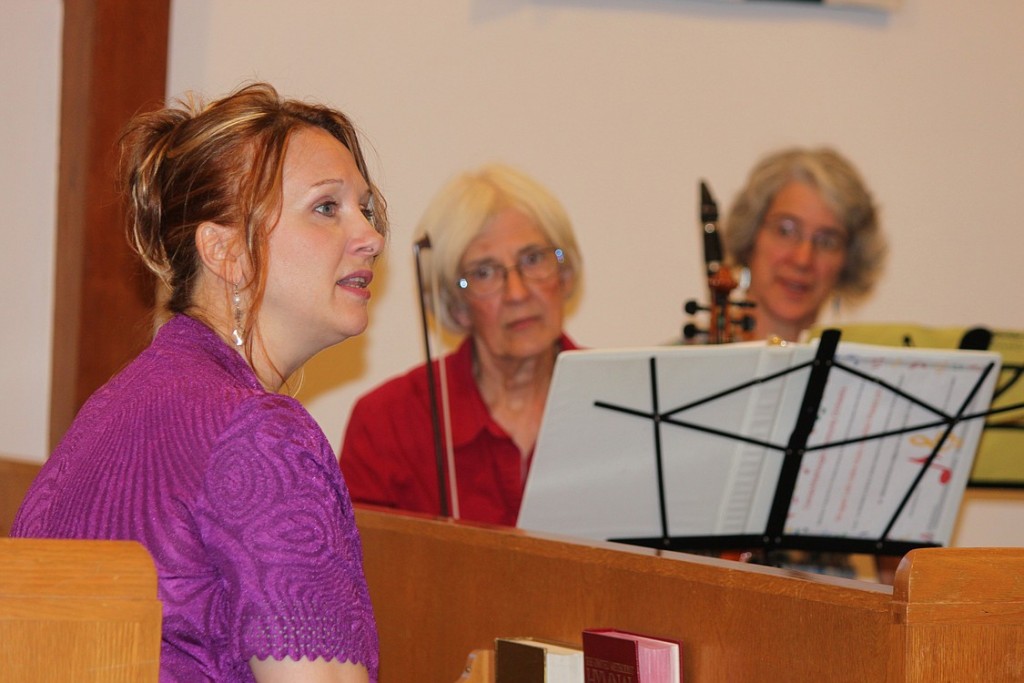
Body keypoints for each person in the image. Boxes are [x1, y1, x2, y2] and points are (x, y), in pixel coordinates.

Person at [12, 83, 386, 682]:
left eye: (365, 208)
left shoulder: (112, 407)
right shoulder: (261, 434)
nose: (370, 236)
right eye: (326, 207)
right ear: (225, 250)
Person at [340, 164, 582, 526]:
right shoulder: (389, 422)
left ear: (563, 275)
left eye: (533, 259)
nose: (517, 293)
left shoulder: (627, 399)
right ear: (456, 304)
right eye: (484, 272)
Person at [723, 147, 887, 342]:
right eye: (785, 231)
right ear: (750, 237)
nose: (803, 259)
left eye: (827, 242)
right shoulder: (683, 367)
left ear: (847, 262)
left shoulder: (869, 371)